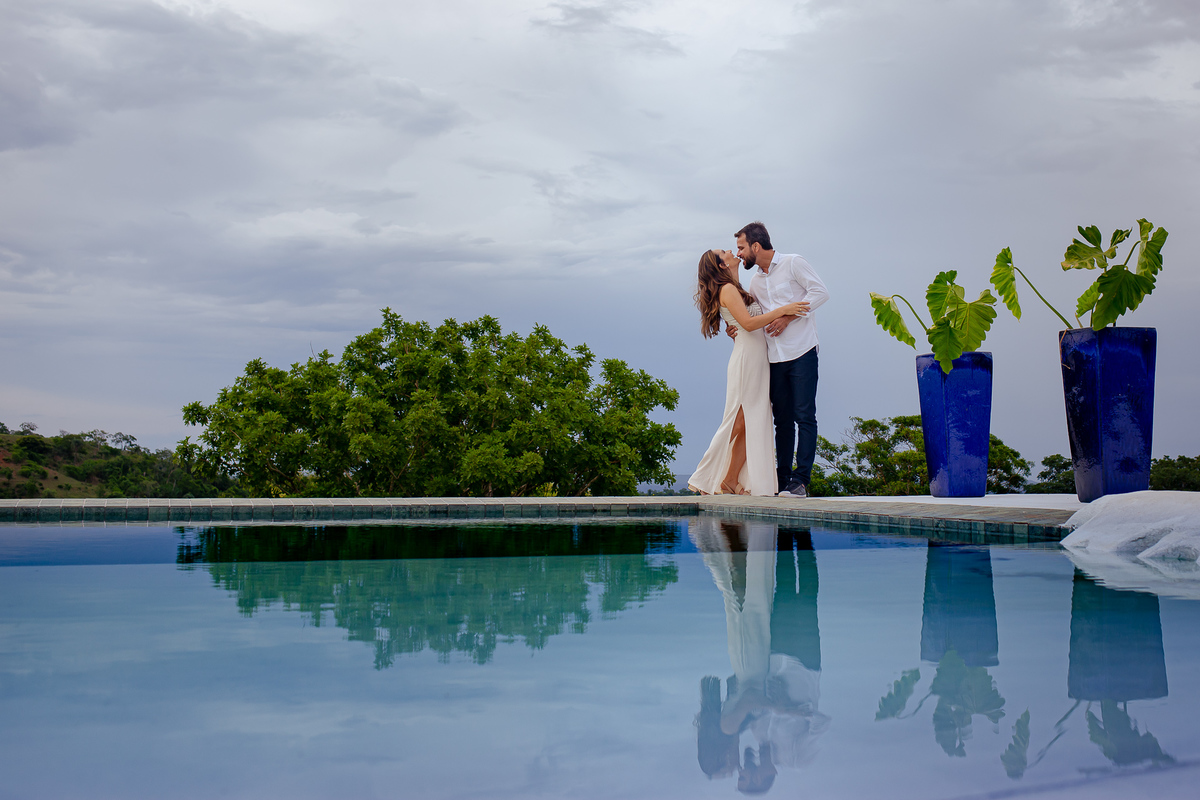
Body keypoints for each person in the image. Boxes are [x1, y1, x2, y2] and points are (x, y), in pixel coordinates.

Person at [688, 249, 806, 496]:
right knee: (738, 420)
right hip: (747, 360)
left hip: (757, 358)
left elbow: (741, 322)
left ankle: (731, 479)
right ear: (721, 265)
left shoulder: (734, 287)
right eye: (724, 252)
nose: (731, 251)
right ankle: (704, 475)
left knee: (750, 421)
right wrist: (785, 310)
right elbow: (749, 324)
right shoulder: (728, 290)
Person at [732, 222, 829, 498]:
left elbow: (820, 292)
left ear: (756, 246)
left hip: (802, 351)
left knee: (804, 416)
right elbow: (754, 317)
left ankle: (801, 481)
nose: (738, 253)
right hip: (774, 358)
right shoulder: (755, 282)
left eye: (741, 247)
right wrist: (735, 329)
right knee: (782, 421)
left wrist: (788, 317)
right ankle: (783, 479)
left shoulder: (793, 263)